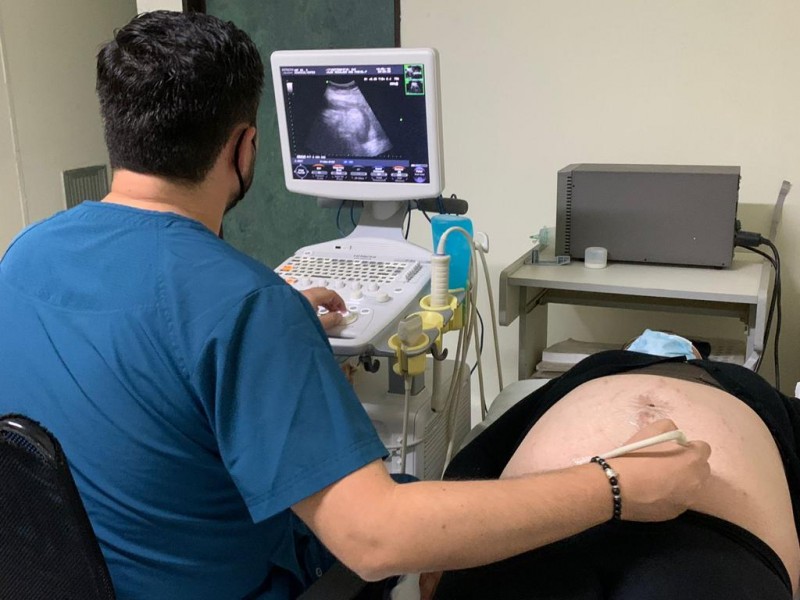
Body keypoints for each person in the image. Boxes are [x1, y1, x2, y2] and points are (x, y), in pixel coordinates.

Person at [0, 11, 711, 600]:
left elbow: (138, 359)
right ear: (245, 147)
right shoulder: (242, 307)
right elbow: (375, 539)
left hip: (92, 575)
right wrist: (615, 485)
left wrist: (270, 331)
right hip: (242, 582)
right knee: (416, 505)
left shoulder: (25, 254)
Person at [428, 330, 800, 600]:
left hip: (715, 540)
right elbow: (490, 451)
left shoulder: (746, 384)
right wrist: (449, 545)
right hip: (538, 523)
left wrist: (448, 543)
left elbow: (485, 451)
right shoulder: (593, 370)